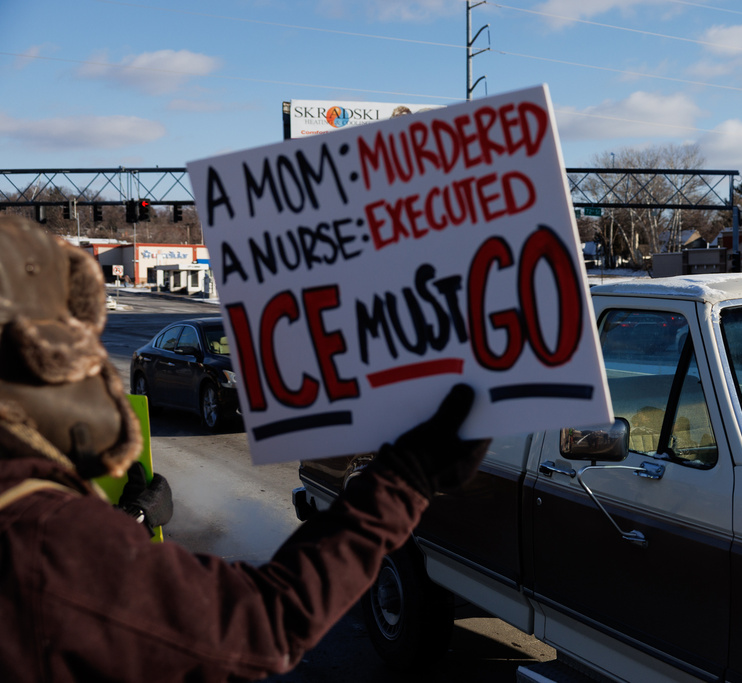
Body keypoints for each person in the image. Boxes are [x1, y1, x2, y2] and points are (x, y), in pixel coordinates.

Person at [0, 215, 489, 682]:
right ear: (47, 362)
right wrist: (404, 480)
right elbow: (263, 623)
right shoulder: (43, 537)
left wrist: (128, 523)